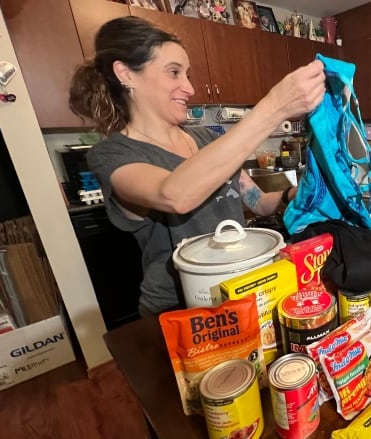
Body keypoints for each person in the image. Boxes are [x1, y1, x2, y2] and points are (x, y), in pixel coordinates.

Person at [68, 16, 325, 315]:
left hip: (242, 293)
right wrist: (273, 107)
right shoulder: (113, 155)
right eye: (174, 72)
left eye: (187, 74)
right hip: (179, 311)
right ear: (126, 74)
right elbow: (175, 195)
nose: (189, 88)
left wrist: (294, 194)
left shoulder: (204, 137)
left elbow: (260, 203)